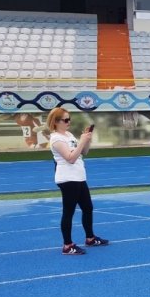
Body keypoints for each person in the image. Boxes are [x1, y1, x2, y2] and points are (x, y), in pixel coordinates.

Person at [47, 108, 109, 255]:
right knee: (68, 212)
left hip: (79, 177)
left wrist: (86, 139)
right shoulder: (56, 138)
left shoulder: (68, 135)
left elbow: (84, 152)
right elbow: (70, 158)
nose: (69, 122)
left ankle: (90, 238)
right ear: (56, 122)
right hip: (68, 179)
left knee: (88, 207)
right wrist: (81, 141)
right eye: (65, 120)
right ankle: (67, 245)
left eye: (69, 119)